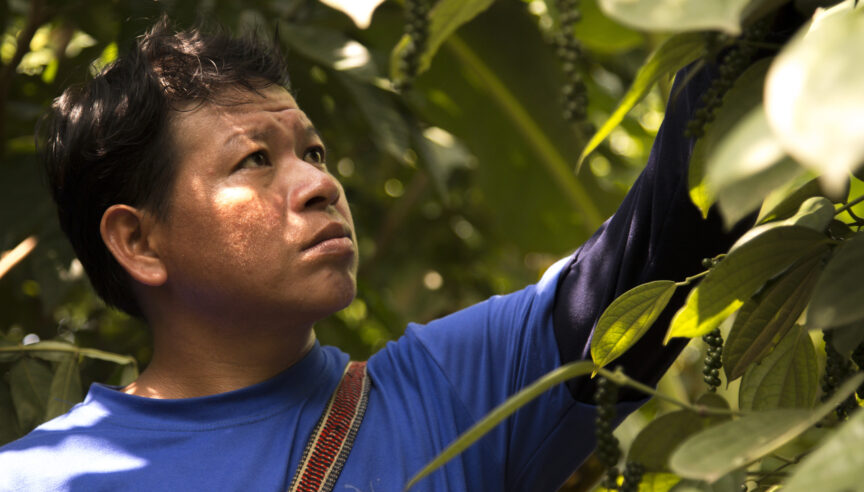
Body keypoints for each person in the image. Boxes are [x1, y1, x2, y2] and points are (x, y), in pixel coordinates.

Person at [0, 17, 749, 492]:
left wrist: (750, 29)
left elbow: (668, 232)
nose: (320, 184)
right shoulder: (36, 479)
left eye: (313, 152)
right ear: (138, 241)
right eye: (254, 160)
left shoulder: (449, 393)